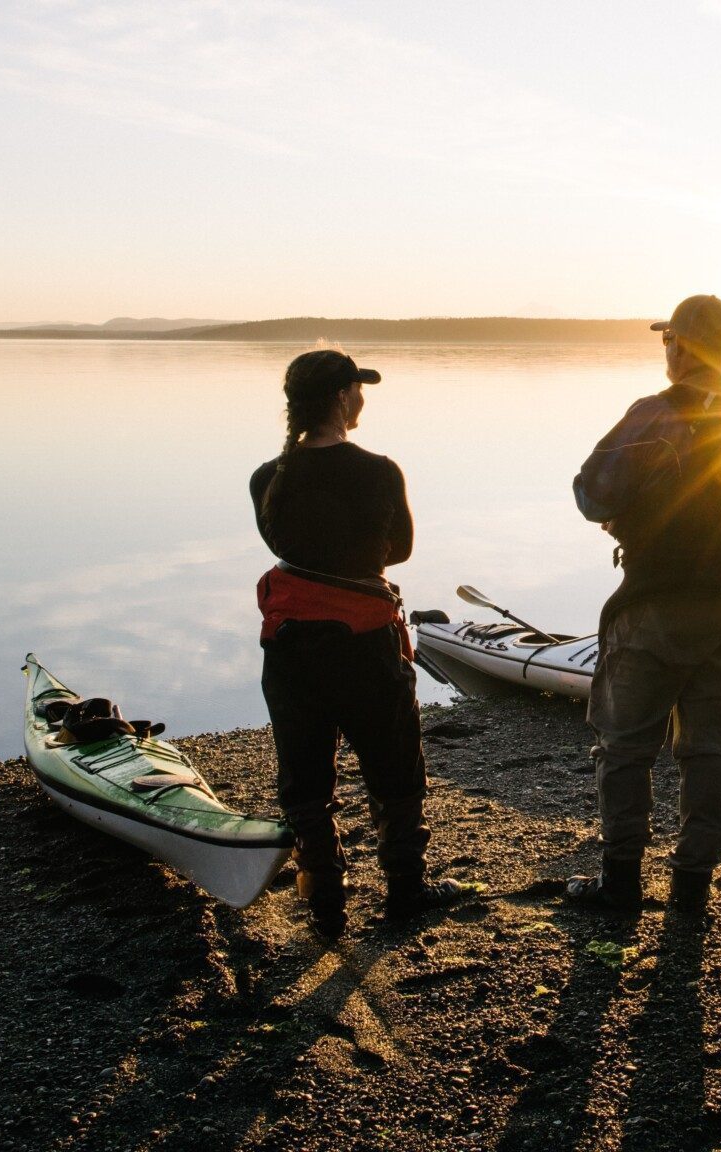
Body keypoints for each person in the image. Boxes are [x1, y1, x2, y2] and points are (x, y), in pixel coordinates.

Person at [251, 349, 475, 939]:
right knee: (394, 772)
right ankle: (405, 893)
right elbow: (397, 552)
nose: (364, 399)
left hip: (292, 648)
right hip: (365, 645)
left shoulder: (266, 478)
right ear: (344, 397)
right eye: (360, 389)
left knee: (305, 779)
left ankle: (325, 900)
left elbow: (283, 543)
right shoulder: (378, 470)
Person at [565, 295, 721, 917]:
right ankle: (692, 885)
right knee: (709, 746)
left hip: (657, 600)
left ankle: (621, 882)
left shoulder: (655, 414)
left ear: (682, 345)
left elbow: (590, 495)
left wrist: (635, 512)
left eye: (668, 340)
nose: (666, 350)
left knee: (626, 746)